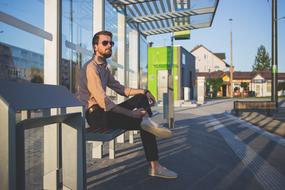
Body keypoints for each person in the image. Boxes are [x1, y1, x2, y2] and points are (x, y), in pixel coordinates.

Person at [78, 30, 177, 179]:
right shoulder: (91, 68)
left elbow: (121, 89)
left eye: (111, 43)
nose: (109, 45)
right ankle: (155, 166)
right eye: (105, 43)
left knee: (140, 98)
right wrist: (131, 114)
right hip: (96, 115)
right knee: (144, 125)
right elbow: (103, 101)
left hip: (105, 112)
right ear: (95, 47)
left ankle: (147, 121)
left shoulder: (104, 67)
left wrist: (144, 91)